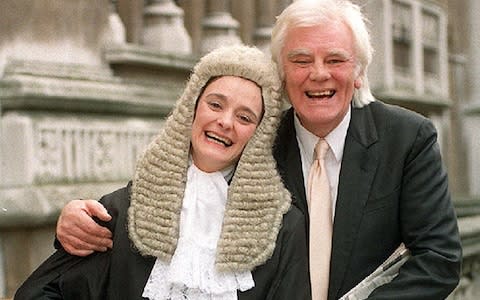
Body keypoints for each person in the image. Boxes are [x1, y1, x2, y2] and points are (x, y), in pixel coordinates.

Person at [53, 0, 463, 299]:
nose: (318, 73)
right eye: (301, 60)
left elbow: (439, 260)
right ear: (283, 74)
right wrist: (79, 215)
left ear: (358, 73)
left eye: (335, 59)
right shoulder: (257, 140)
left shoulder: (408, 137)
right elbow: (179, 187)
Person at [14, 45, 310, 300]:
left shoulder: (283, 227)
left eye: (245, 117)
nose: (225, 121)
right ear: (191, 109)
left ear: (259, 134)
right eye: (215, 104)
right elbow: (39, 292)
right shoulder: (125, 209)